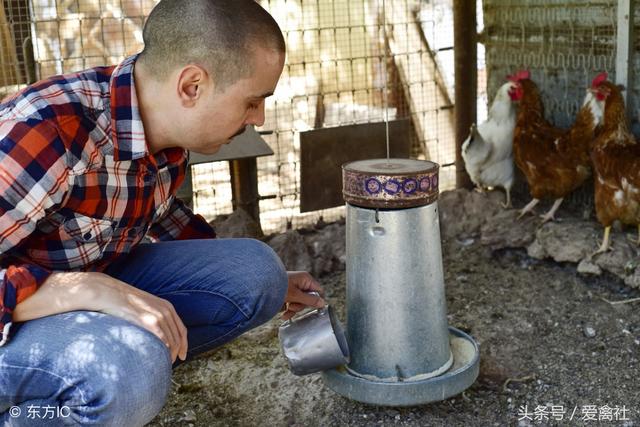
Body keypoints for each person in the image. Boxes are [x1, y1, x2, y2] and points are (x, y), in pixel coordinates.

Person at [0, 0, 325, 425]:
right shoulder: (46, 131)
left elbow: (162, 220)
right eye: (252, 102)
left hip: (83, 286)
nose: (259, 118)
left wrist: (272, 285)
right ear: (192, 85)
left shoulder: (164, 136)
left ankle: (112, 384)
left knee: (257, 271)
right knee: (128, 371)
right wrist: (79, 290)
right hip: (15, 316)